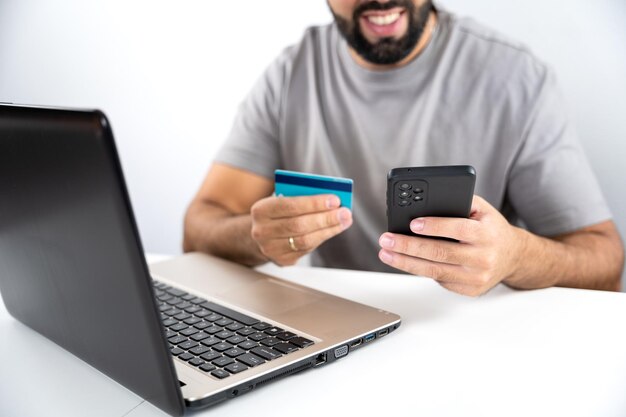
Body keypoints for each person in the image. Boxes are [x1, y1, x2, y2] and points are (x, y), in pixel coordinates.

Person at [183, 0, 624, 296]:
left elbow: (604, 260)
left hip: (471, 338)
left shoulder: (517, 79)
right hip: (335, 333)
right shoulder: (289, 75)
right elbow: (199, 226)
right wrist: (256, 236)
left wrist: (515, 256)